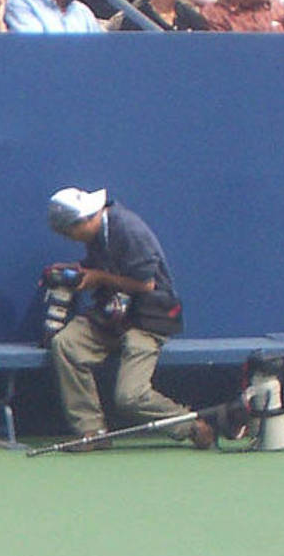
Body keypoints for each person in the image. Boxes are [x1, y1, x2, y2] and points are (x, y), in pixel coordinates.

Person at [43, 187, 214, 450]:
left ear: (83, 220)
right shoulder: (98, 233)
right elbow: (104, 268)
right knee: (67, 344)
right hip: (111, 315)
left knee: (129, 396)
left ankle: (190, 425)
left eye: (69, 232)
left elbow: (145, 284)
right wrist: (79, 272)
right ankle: (92, 432)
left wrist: (98, 278)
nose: (69, 238)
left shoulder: (128, 229)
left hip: (149, 319)